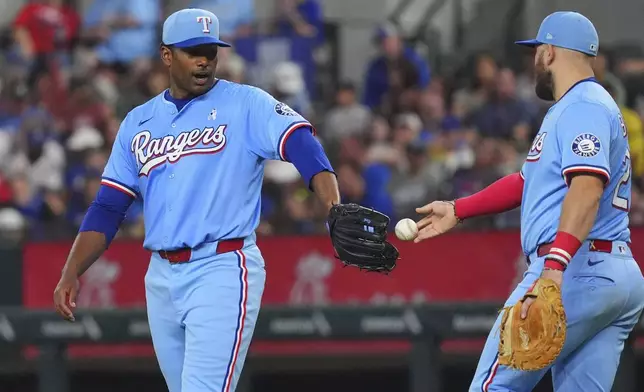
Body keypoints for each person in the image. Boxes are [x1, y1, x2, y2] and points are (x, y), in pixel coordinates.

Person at [53, 8, 342, 392]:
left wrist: (333, 206)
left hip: (221, 266)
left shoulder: (245, 103)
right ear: (167, 55)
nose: (205, 60)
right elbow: (108, 206)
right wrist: (71, 270)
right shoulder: (138, 122)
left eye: (210, 50)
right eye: (193, 51)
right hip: (161, 276)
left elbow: (302, 146)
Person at [413, 11, 644, 391]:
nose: (533, 60)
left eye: (536, 51)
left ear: (550, 52)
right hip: (612, 271)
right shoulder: (581, 106)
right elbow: (527, 181)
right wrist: (459, 209)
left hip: (574, 268)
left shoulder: (582, 107)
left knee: (493, 387)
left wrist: (554, 267)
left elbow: (586, 189)